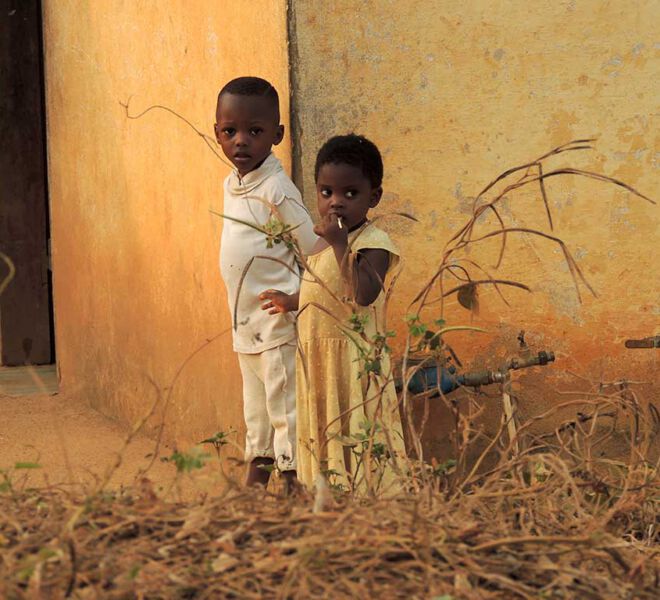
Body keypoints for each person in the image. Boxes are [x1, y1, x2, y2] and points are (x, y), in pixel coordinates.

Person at [263, 134, 406, 493]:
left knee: (358, 435)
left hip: (354, 365)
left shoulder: (374, 244)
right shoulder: (322, 245)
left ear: (374, 197)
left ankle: (369, 505)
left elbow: (360, 293)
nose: (336, 203)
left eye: (350, 194)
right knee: (325, 437)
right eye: (326, 193)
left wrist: (341, 244)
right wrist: (291, 300)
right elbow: (323, 289)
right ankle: (330, 505)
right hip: (319, 361)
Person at [214, 76, 316, 492]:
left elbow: (314, 249)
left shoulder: (277, 189)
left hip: (276, 325)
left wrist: (296, 299)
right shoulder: (232, 185)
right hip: (244, 323)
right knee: (256, 409)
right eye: (230, 131)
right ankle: (256, 484)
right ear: (216, 131)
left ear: (277, 134)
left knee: (284, 409)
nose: (241, 141)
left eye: (255, 132)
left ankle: (293, 486)